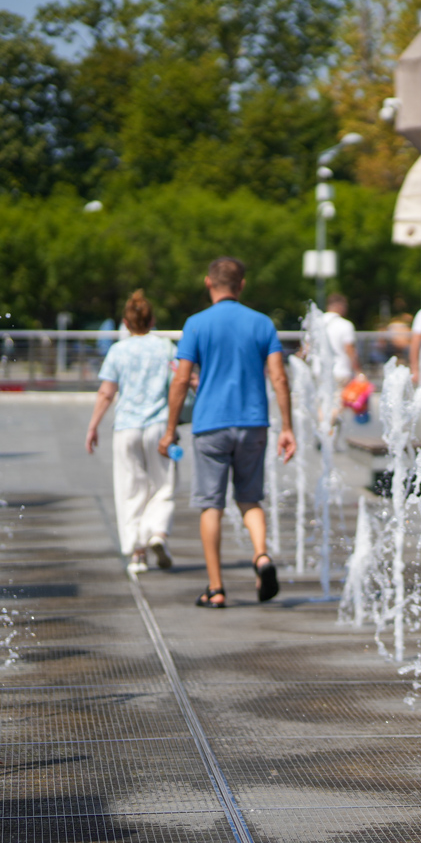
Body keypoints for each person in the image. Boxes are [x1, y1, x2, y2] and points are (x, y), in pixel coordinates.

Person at [159, 257, 297, 608]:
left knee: (211, 505)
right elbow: (279, 377)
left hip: (211, 424)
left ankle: (217, 588)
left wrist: (170, 428)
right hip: (253, 423)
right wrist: (288, 428)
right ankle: (262, 556)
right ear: (242, 285)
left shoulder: (196, 324)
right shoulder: (262, 323)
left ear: (209, 283)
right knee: (250, 499)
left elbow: (180, 378)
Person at [86, 291, 178, 574]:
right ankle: (157, 533)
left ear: (126, 323)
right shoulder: (165, 347)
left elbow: (106, 392)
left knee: (130, 489)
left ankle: (137, 553)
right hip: (158, 425)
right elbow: (179, 384)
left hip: (126, 426)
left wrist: (93, 426)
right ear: (152, 320)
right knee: (163, 484)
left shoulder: (118, 350)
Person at [322, 293, 360, 384]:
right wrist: (358, 372)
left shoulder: (316, 324)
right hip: (340, 372)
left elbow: (307, 348)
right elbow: (349, 350)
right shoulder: (345, 325)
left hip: (319, 372)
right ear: (339, 306)